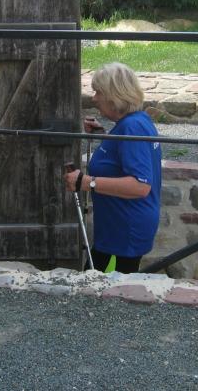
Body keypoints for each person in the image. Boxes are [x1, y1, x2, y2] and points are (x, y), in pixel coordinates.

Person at [64, 62, 162, 273]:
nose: (94, 98)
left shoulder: (132, 127)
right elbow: (124, 157)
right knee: (93, 281)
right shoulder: (136, 121)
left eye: (98, 92)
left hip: (124, 233)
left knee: (101, 286)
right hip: (118, 229)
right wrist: (105, 136)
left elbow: (140, 185)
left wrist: (86, 182)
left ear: (113, 95)